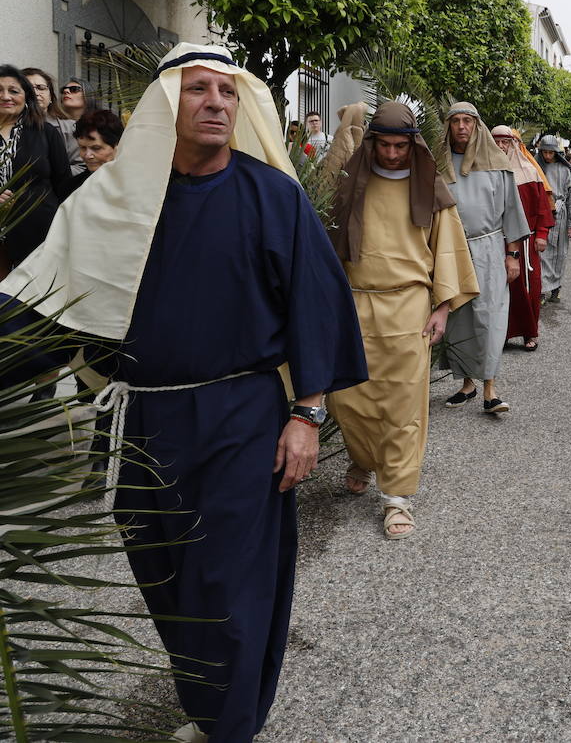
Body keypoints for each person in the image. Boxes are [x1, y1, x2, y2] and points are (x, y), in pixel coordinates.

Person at [1, 43, 368, 742]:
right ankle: (210, 709)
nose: (217, 103)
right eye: (199, 90)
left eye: (228, 93)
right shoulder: (111, 201)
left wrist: (307, 414)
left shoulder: (273, 195)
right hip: (141, 421)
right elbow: (44, 308)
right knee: (164, 578)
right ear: (168, 104)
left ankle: (229, 726)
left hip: (242, 418)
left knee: (228, 586)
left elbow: (317, 307)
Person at [327, 101, 479, 539]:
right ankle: (363, 455)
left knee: (403, 404)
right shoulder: (349, 183)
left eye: (400, 146)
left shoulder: (430, 188)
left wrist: (442, 307)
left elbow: (448, 251)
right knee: (346, 398)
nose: (392, 154)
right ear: (372, 142)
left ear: (412, 145)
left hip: (410, 305)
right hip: (354, 303)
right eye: (385, 145)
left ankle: (396, 497)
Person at [440, 101, 530, 414]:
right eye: (456, 121)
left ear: (477, 126)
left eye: (467, 121)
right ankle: (466, 384)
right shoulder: (440, 165)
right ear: (449, 126)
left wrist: (513, 255)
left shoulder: (497, 164)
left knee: (490, 315)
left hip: (490, 248)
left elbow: (511, 214)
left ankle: (490, 389)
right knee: (458, 316)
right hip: (451, 250)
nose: (461, 126)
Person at [0, 66, 73, 274]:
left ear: (26, 97)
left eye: (14, 91)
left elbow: (64, 185)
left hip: (38, 232)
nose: (6, 96)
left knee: (33, 299)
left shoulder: (45, 132)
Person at [492, 125, 553, 351]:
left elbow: (542, 208)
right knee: (500, 289)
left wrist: (542, 235)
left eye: (505, 142)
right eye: (496, 141)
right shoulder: (484, 171)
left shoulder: (529, 171)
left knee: (530, 287)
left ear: (514, 145)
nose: (500, 146)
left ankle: (530, 332)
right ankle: (503, 334)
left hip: (527, 241)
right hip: (497, 240)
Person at [536, 134, 571, 305]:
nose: (547, 156)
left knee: (560, 254)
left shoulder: (565, 170)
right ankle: (541, 290)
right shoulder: (536, 168)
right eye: (545, 152)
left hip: (561, 217)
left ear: (556, 152)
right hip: (542, 216)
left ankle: (556, 286)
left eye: (551, 153)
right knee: (542, 254)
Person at [23, 66, 81, 171]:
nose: (35, 93)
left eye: (41, 87)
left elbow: (81, 167)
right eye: (28, 88)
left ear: (51, 97)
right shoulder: (6, 127)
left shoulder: (70, 128)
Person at [67, 108, 123, 193]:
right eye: (83, 148)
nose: (87, 155)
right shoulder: (71, 188)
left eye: (96, 148)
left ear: (117, 145)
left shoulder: (135, 183)